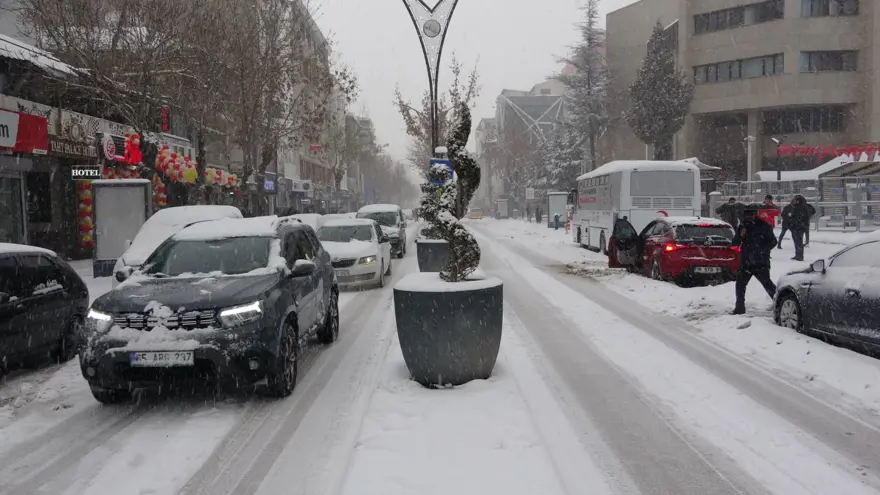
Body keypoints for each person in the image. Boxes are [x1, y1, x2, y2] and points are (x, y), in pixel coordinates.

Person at [731, 206, 778, 315]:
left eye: (751, 215)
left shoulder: (764, 226)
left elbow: (773, 242)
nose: (749, 217)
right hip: (746, 262)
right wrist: (740, 235)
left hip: (760, 262)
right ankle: (739, 308)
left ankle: (780, 304)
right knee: (740, 285)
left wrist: (761, 250)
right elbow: (735, 242)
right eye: (747, 215)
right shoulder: (743, 226)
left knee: (768, 284)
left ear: (755, 215)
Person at [787, 195, 812, 261]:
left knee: (799, 242)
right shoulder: (794, 207)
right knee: (796, 242)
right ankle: (797, 255)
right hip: (794, 227)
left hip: (799, 227)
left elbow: (805, 218)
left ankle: (800, 256)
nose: (794, 201)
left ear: (798, 201)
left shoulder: (802, 208)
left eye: (795, 200)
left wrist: (804, 225)